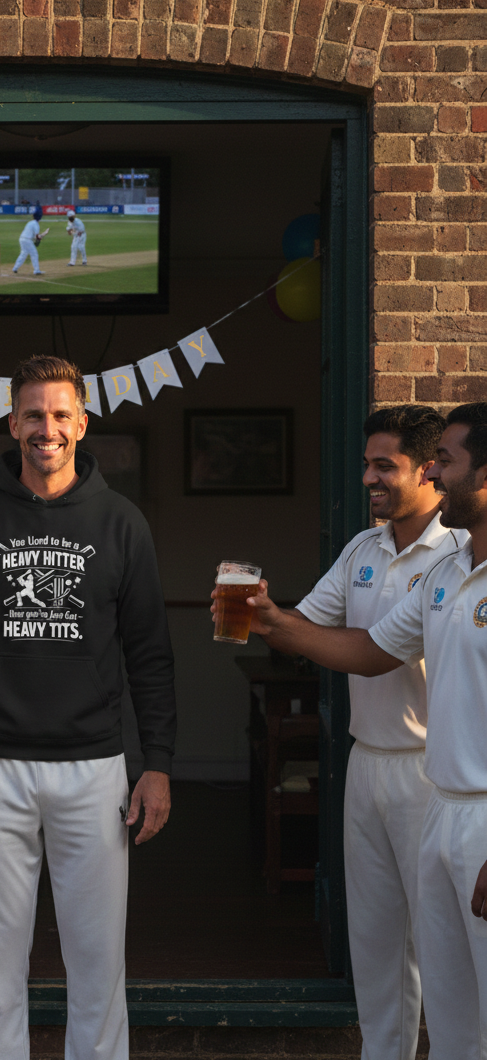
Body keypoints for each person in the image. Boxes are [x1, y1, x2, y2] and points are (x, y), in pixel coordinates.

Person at [0, 355, 176, 1060]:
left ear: (81, 423)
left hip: (94, 768)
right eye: (32, 415)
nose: (45, 428)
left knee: (98, 968)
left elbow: (150, 653)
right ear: (11, 422)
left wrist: (159, 765)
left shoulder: (121, 522)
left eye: (59, 415)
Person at [241, 402, 487, 1060]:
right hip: (385, 770)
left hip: (445, 782)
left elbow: (369, 646)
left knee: (456, 969)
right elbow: (342, 641)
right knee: (392, 952)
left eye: (389, 466)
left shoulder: (456, 553)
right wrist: (267, 618)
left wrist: (279, 624)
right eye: (367, 465)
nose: (371, 478)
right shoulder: (392, 558)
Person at [12, 207, 45, 276]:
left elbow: (33, 236)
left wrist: (39, 237)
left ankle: (15, 268)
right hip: (27, 240)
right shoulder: (36, 224)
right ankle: (36, 270)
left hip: (21, 239)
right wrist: (40, 238)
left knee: (23, 253)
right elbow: (36, 237)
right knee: (34, 254)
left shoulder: (30, 222)